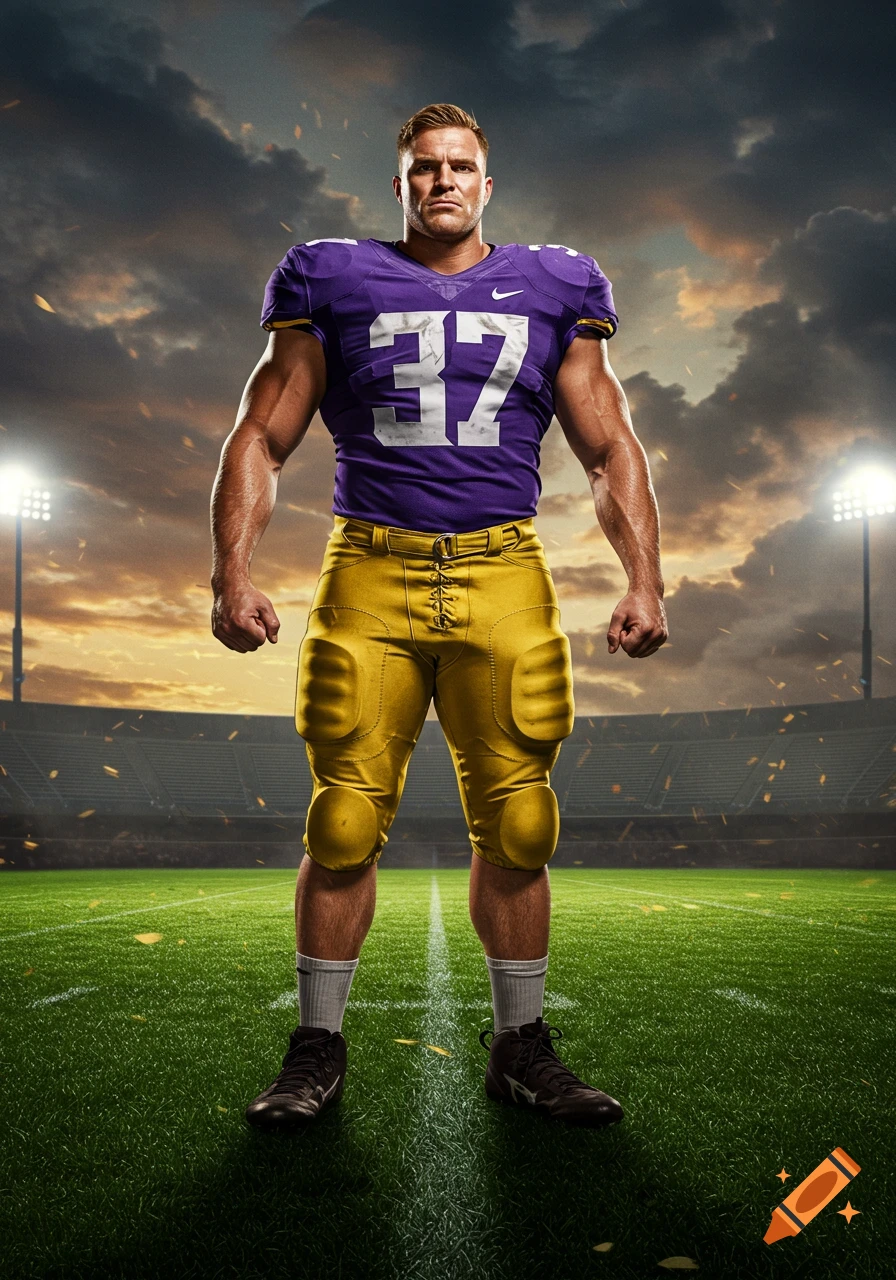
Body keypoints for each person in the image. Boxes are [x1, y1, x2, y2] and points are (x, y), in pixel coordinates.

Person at [210, 103, 667, 1132]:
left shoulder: (557, 281)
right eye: (424, 169)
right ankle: (316, 1045)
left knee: (518, 822)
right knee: (341, 821)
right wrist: (228, 570)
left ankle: (520, 1044)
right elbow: (261, 431)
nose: (442, 182)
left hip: (503, 564)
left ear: (486, 184)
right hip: (366, 566)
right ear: (400, 183)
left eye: (460, 167)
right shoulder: (328, 276)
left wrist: (646, 578)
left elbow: (609, 446)